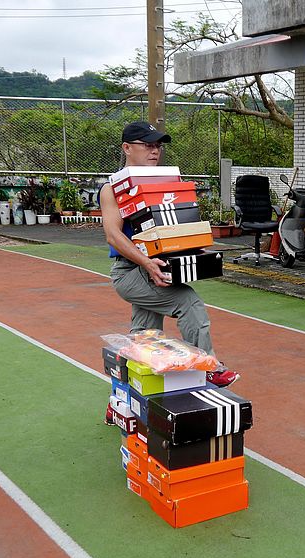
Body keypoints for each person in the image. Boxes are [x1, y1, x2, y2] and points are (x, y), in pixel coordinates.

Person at [101, 122, 239, 423]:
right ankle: (207, 369)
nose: (155, 151)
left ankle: (120, 402)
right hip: (130, 272)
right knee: (189, 303)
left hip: (156, 267)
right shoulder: (112, 188)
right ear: (127, 148)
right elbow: (113, 235)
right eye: (147, 145)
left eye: (158, 145)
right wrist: (147, 263)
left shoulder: (163, 182)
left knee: (143, 340)